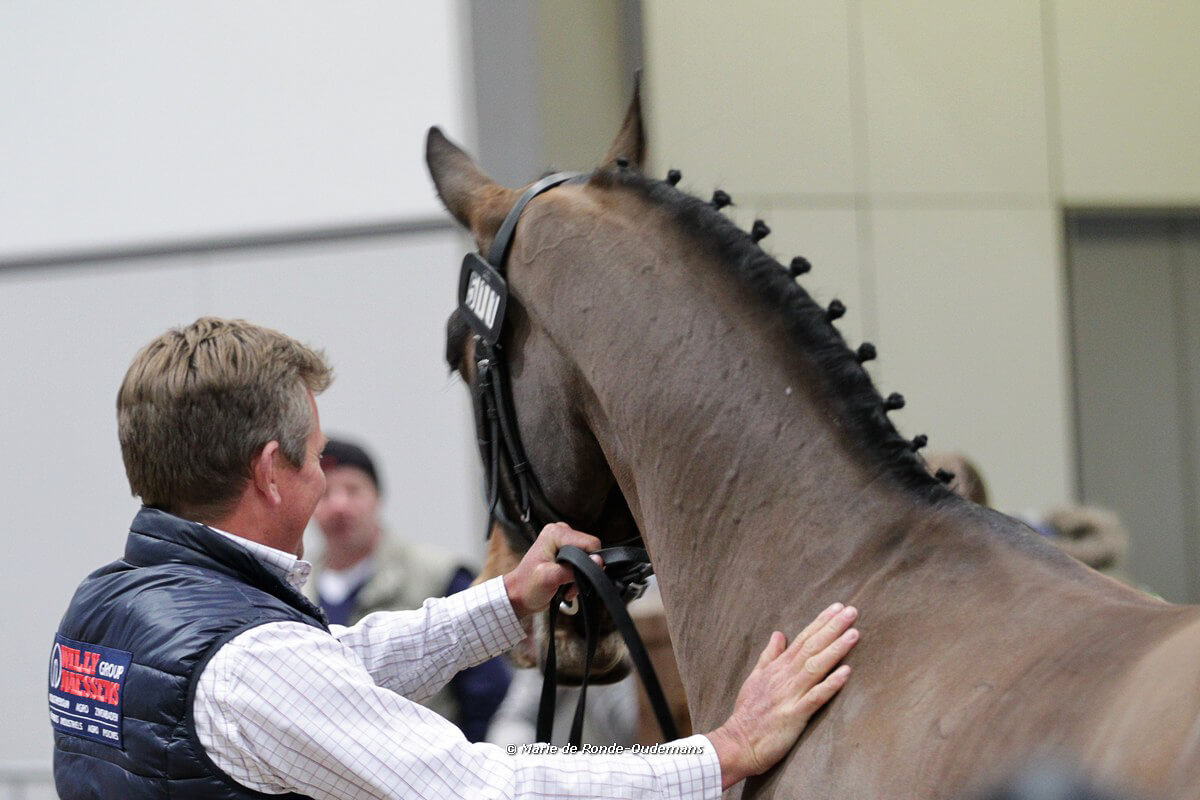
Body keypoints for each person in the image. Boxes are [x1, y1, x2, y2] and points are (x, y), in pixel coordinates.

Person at [49, 316, 860, 799]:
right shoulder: (250, 660)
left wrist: (506, 600)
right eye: (315, 456)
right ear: (269, 472)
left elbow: (332, 669)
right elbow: (482, 789)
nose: (324, 476)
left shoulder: (112, 605)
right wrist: (720, 752)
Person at [306, 436, 510, 741]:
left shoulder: (439, 574)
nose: (339, 505)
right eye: (324, 494)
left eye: (352, 490)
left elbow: (487, 688)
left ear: (377, 497)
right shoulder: (292, 588)